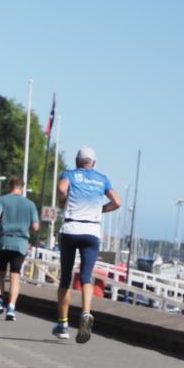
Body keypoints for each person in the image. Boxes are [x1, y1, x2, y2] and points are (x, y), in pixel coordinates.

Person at [53, 146, 121, 343]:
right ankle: (85, 312)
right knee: (86, 276)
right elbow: (117, 201)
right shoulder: (102, 178)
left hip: (71, 229)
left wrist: (62, 201)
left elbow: (61, 188)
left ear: (77, 161)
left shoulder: (70, 174)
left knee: (65, 277)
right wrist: (100, 210)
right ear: (94, 163)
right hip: (92, 231)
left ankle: (63, 324)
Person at [0, 176, 39, 320]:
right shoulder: (30, 204)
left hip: (3, 241)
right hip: (20, 243)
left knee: (0, 274)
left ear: (9, 186)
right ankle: (11, 307)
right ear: (22, 187)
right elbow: (36, 226)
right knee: (15, 276)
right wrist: (25, 227)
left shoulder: (2, 200)